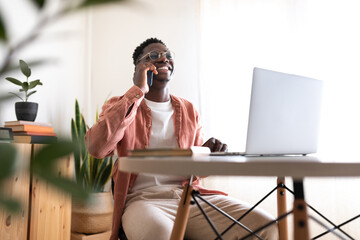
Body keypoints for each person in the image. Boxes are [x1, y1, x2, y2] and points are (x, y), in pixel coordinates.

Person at [85, 38, 278, 240]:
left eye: (168, 55)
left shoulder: (188, 109)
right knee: (159, 234)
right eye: (153, 56)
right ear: (138, 68)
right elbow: (96, 148)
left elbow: (197, 173)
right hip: (143, 201)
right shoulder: (120, 105)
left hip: (191, 197)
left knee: (265, 226)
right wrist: (138, 91)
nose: (163, 59)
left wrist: (208, 153)